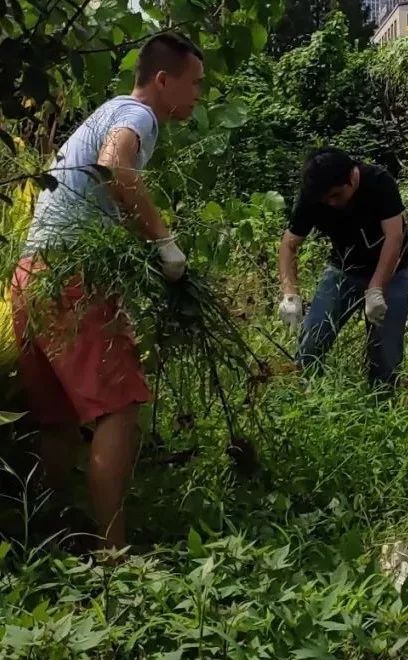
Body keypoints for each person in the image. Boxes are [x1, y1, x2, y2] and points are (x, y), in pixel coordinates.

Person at [11, 32, 203, 549]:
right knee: (116, 409)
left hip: (32, 274)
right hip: (72, 275)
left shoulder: (103, 112)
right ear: (163, 81)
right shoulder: (137, 115)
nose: (198, 95)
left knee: (56, 420)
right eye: (195, 83)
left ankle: (41, 536)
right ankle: (115, 557)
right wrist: (164, 241)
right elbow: (115, 166)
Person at [277, 148, 408, 385]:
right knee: (313, 337)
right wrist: (289, 294)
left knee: (387, 353)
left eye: (337, 195)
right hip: (343, 270)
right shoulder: (312, 196)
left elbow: (395, 237)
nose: (331, 203)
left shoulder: (379, 182)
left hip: (391, 272)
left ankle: (381, 403)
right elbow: (289, 245)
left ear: (352, 177)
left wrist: (377, 288)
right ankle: (306, 394)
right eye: (325, 199)